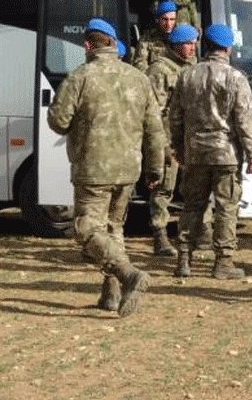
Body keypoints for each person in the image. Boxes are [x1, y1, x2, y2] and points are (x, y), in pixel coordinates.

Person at [47, 18, 164, 317]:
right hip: (128, 170)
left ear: (88, 45)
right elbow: (154, 129)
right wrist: (155, 170)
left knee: (86, 229)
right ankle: (111, 294)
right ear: (113, 43)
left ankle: (128, 275)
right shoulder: (138, 78)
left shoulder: (79, 77)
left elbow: (57, 122)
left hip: (93, 168)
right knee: (114, 229)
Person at [167, 23, 252, 279]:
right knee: (226, 207)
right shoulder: (235, 78)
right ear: (228, 48)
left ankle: (184, 258)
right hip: (225, 154)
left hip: (195, 152)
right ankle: (223, 262)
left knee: (192, 206)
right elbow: (244, 121)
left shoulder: (187, 76)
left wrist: (178, 148)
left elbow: (175, 117)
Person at [145, 23, 199, 256]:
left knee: (193, 188)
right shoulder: (160, 70)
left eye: (194, 43)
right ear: (176, 45)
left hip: (190, 137)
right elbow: (152, 110)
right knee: (164, 188)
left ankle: (193, 234)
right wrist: (159, 144)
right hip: (168, 138)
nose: (192, 48)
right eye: (188, 44)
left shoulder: (193, 67)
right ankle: (160, 235)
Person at [132, 0, 179, 71]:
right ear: (158, 19)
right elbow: (139, 64)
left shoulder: (180, 37)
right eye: (165, 19)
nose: (168, 24)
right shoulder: (147, 39)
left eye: (172, 19)